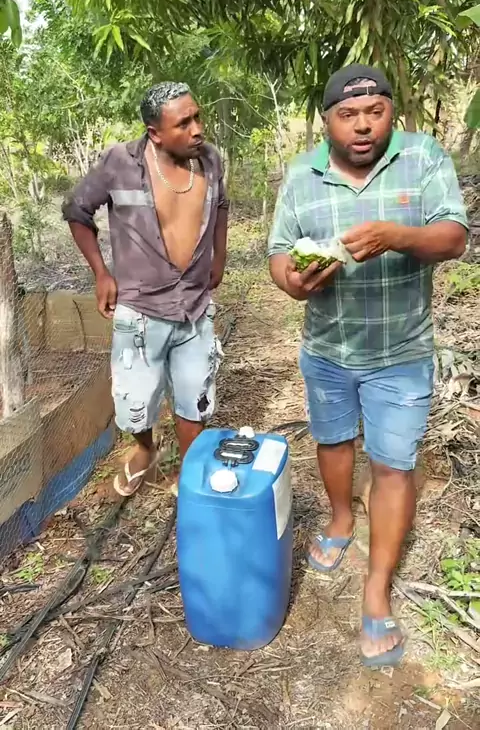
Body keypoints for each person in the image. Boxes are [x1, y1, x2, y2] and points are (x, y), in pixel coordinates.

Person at [268, 64, 468, 668]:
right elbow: (278, 255)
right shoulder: (302, 175)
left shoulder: (423, 158)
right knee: (332, 441)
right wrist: (295, 282)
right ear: (327, 121)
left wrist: (396, 236)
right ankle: (339, 519)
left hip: (401, 352)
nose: (362, 126)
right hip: (327, 349)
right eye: (347, 115)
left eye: (374, 112)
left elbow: (454, 237)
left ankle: (376, 589)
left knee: (392, 464)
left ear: (391, 113)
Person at [62, 82, 229, 497]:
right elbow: (77, 210)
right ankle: (145, 449)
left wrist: (220, 254)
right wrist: (101, 273)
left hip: (194, 304)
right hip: (140, 308)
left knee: (195, 396)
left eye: (197, 117)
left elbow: (221, 205)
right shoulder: (119, 163)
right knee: (135, 401)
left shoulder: (209, 161)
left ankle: (189, 472)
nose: (197, 129)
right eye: (183, 123)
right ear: (155, 133)